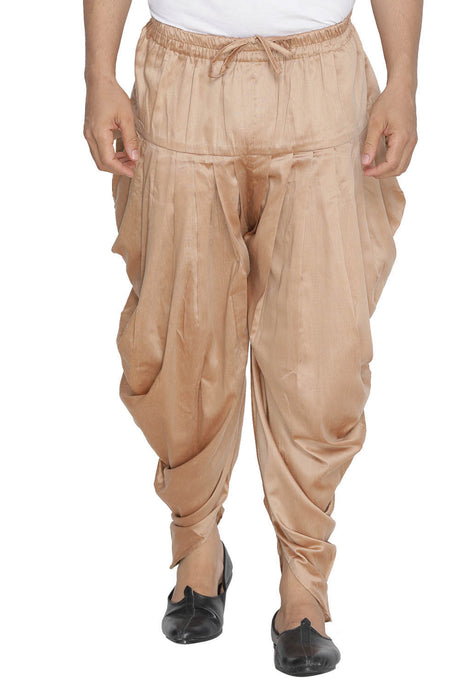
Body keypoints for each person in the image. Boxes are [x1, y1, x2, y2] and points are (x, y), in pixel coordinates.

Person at [83, 0, 422, 676]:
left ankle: (304, 582)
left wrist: (404, 79)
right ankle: (197, 547)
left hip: (321, 80)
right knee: (182, 339)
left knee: (320, 350)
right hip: (181, 77)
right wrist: (99, 73)